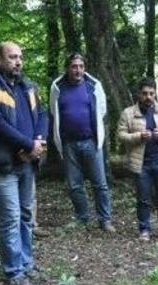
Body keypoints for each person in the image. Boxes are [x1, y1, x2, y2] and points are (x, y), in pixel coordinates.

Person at [0, 41, 48, 285]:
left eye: (20, 57)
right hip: (2, 164)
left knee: (26, 214)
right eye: (12, 57)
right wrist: (27, 145)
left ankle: (26, 263)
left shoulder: (28, 86)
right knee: (11, 216)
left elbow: (43, 115)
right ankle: (13, 270)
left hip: (27, 162)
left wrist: (38, 140)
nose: (18, 62)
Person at [49, 53, 114, 231]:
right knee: (74, 184)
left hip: (91, 141)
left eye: (81, 66)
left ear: (84, 68)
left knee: (100, 183)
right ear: (67, 68)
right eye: (74, 66)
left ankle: (105, 219)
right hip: (69, 143)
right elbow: (54, 112)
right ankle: (82, 218)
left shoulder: (93, 86)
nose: (77, 70)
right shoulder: (57, 87)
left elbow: (102, 110)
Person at [117, 78, 158, 242]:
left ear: (155, 93)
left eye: (151, 93)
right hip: (140, 163)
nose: (148, 96)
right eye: (144, 93)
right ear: (139, 94)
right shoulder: (128, 113)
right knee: (143, 198)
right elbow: (121, 135)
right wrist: (139, 136)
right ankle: (144, 229)